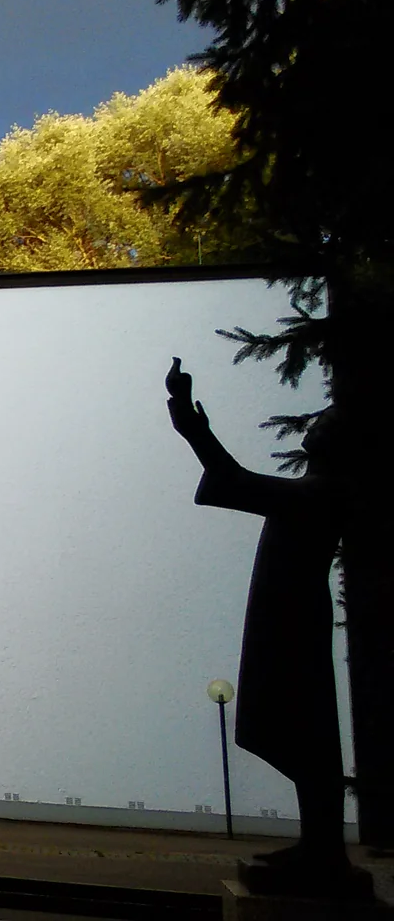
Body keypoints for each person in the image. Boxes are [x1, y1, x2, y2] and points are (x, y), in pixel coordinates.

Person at [166, 358, 370, 898]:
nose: (317, 423)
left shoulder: (324, 493)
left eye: (328, 421)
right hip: (286, 617)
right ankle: (318, 845)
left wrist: (193, 428)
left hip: (291, 622)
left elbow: (235, 483)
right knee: (306, 729)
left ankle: (324, 852)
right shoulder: (318, 490)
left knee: (307, 728)